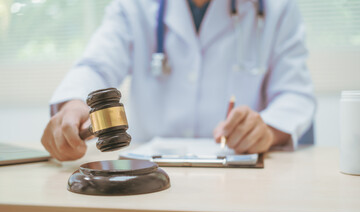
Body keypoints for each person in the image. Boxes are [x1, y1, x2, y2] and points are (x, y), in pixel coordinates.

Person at [41, 0, 316, 161]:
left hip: (240, 175)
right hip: (153, 173)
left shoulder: (277, 8)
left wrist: (266, 130)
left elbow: (295, 94)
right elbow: (96, 66)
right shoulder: (133, 6)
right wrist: (74, 104)